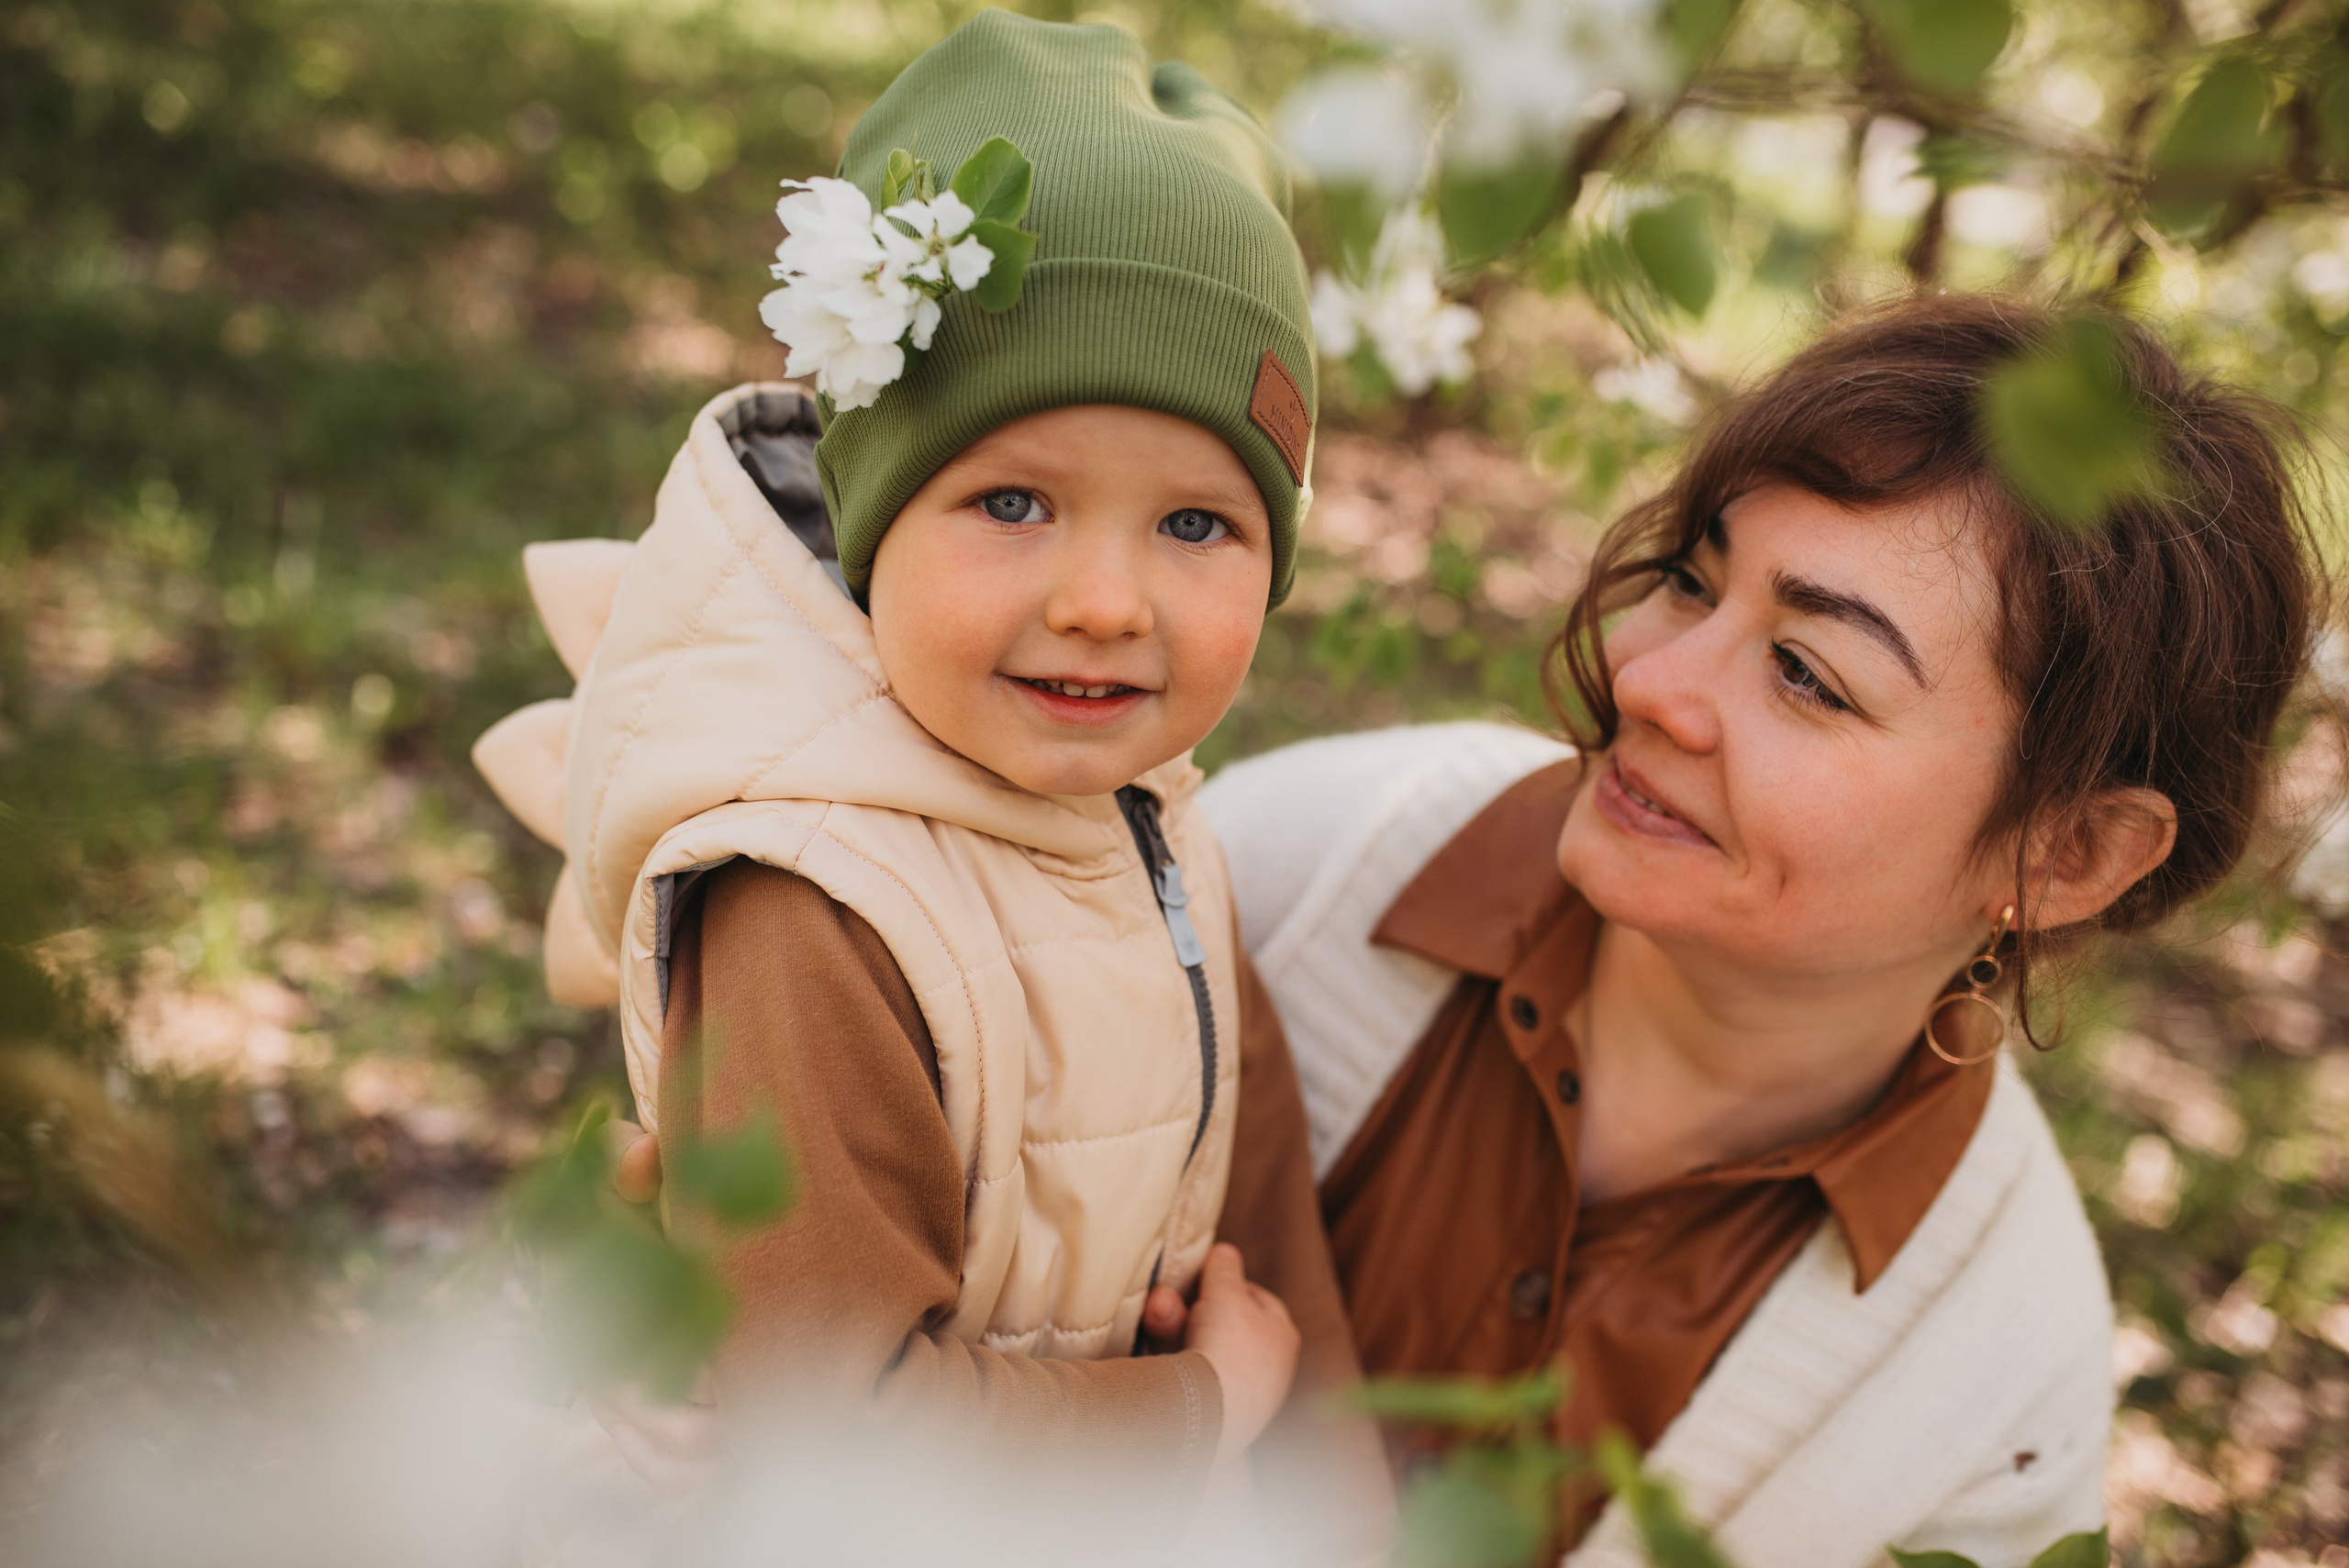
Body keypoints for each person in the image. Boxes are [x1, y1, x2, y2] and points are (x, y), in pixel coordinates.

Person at [1191, 295, 2322, 1565]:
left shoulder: (2004, 1394)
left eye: (1806, 674)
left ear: (2070, 854)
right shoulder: (1294, 863)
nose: (1645, 678)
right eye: (1691, 580)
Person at [473, 9, 1371, 1518]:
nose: (1106, 601)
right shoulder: (815, 907)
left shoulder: (1150, 830)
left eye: (1195, 523)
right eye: (1014, 502)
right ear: (875, 515)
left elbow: (1267, 1246)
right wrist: (1204, 1408)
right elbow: (836, 1430)